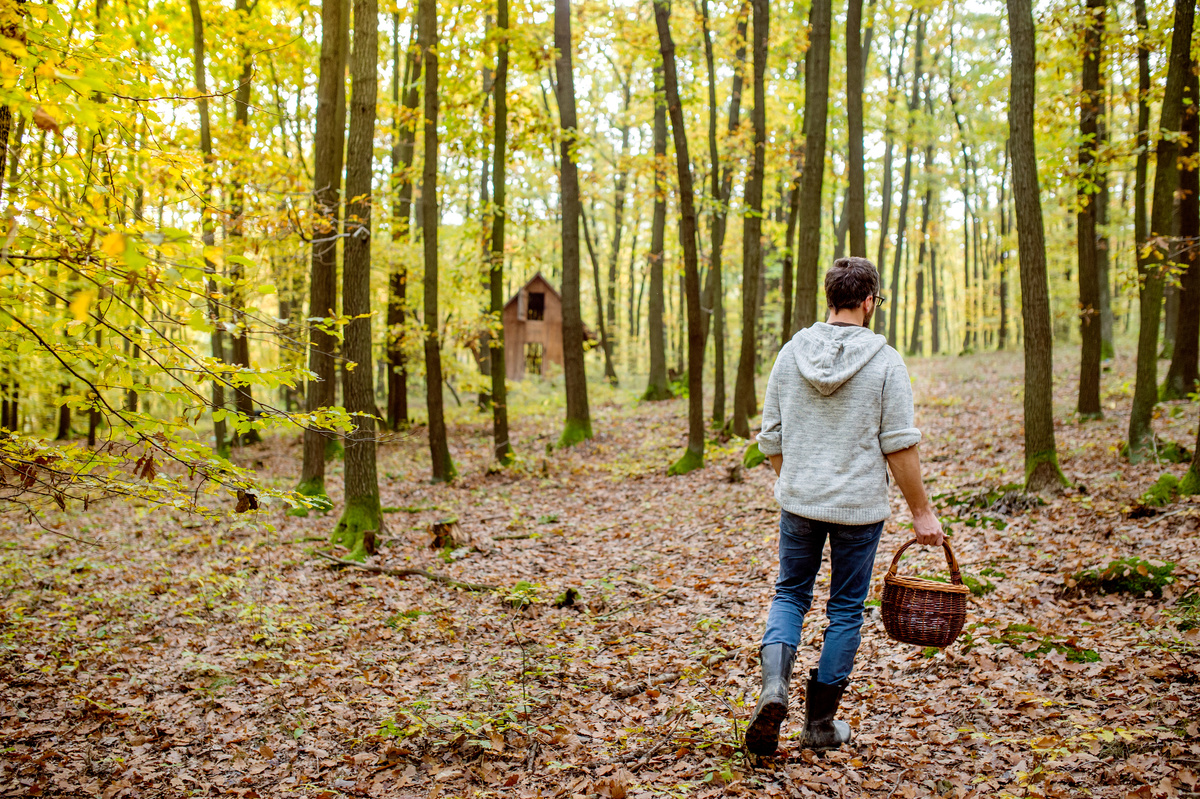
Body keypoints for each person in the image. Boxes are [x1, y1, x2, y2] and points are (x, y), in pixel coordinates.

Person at [745, 256, 944, 757]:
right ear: (870, 300)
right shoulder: (885, 361)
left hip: (800, 503)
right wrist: (922, 511)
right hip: (858, 509)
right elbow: (899, 445)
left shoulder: (791, 355)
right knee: (846, 611)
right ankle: (819, 724)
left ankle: (773, 690)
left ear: (829, 298)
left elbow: (770, 438)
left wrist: (797, 482)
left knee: (789, 595)